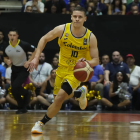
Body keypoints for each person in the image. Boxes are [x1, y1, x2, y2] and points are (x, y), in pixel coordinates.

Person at [29, 6, 99, 134]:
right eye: (75, 16)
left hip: (76, 72)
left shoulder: (90, 37)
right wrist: (36, 58)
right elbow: (44, 39)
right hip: (61, 69)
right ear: (71, 17)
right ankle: (79, 93)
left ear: (85, 19)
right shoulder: (62, 29)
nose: (77, 19)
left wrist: (86, 62)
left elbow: (96, 60)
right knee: (57, 99)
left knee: (60, 97)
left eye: (80, 17)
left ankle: (40, 123)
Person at [3, 28, 36, 114]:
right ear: (8, 36)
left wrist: (29, 61)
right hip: (14, 68)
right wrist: (7, 61)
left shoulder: (23, 44)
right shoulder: (6, 46)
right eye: (10, 35)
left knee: (16, 86)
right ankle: (22, 107)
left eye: (14, 35)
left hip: (24, 69)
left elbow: (35, 51)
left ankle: (27, 93)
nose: (12, 37)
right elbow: (5, 57)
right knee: (13, 90)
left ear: (17, 36)